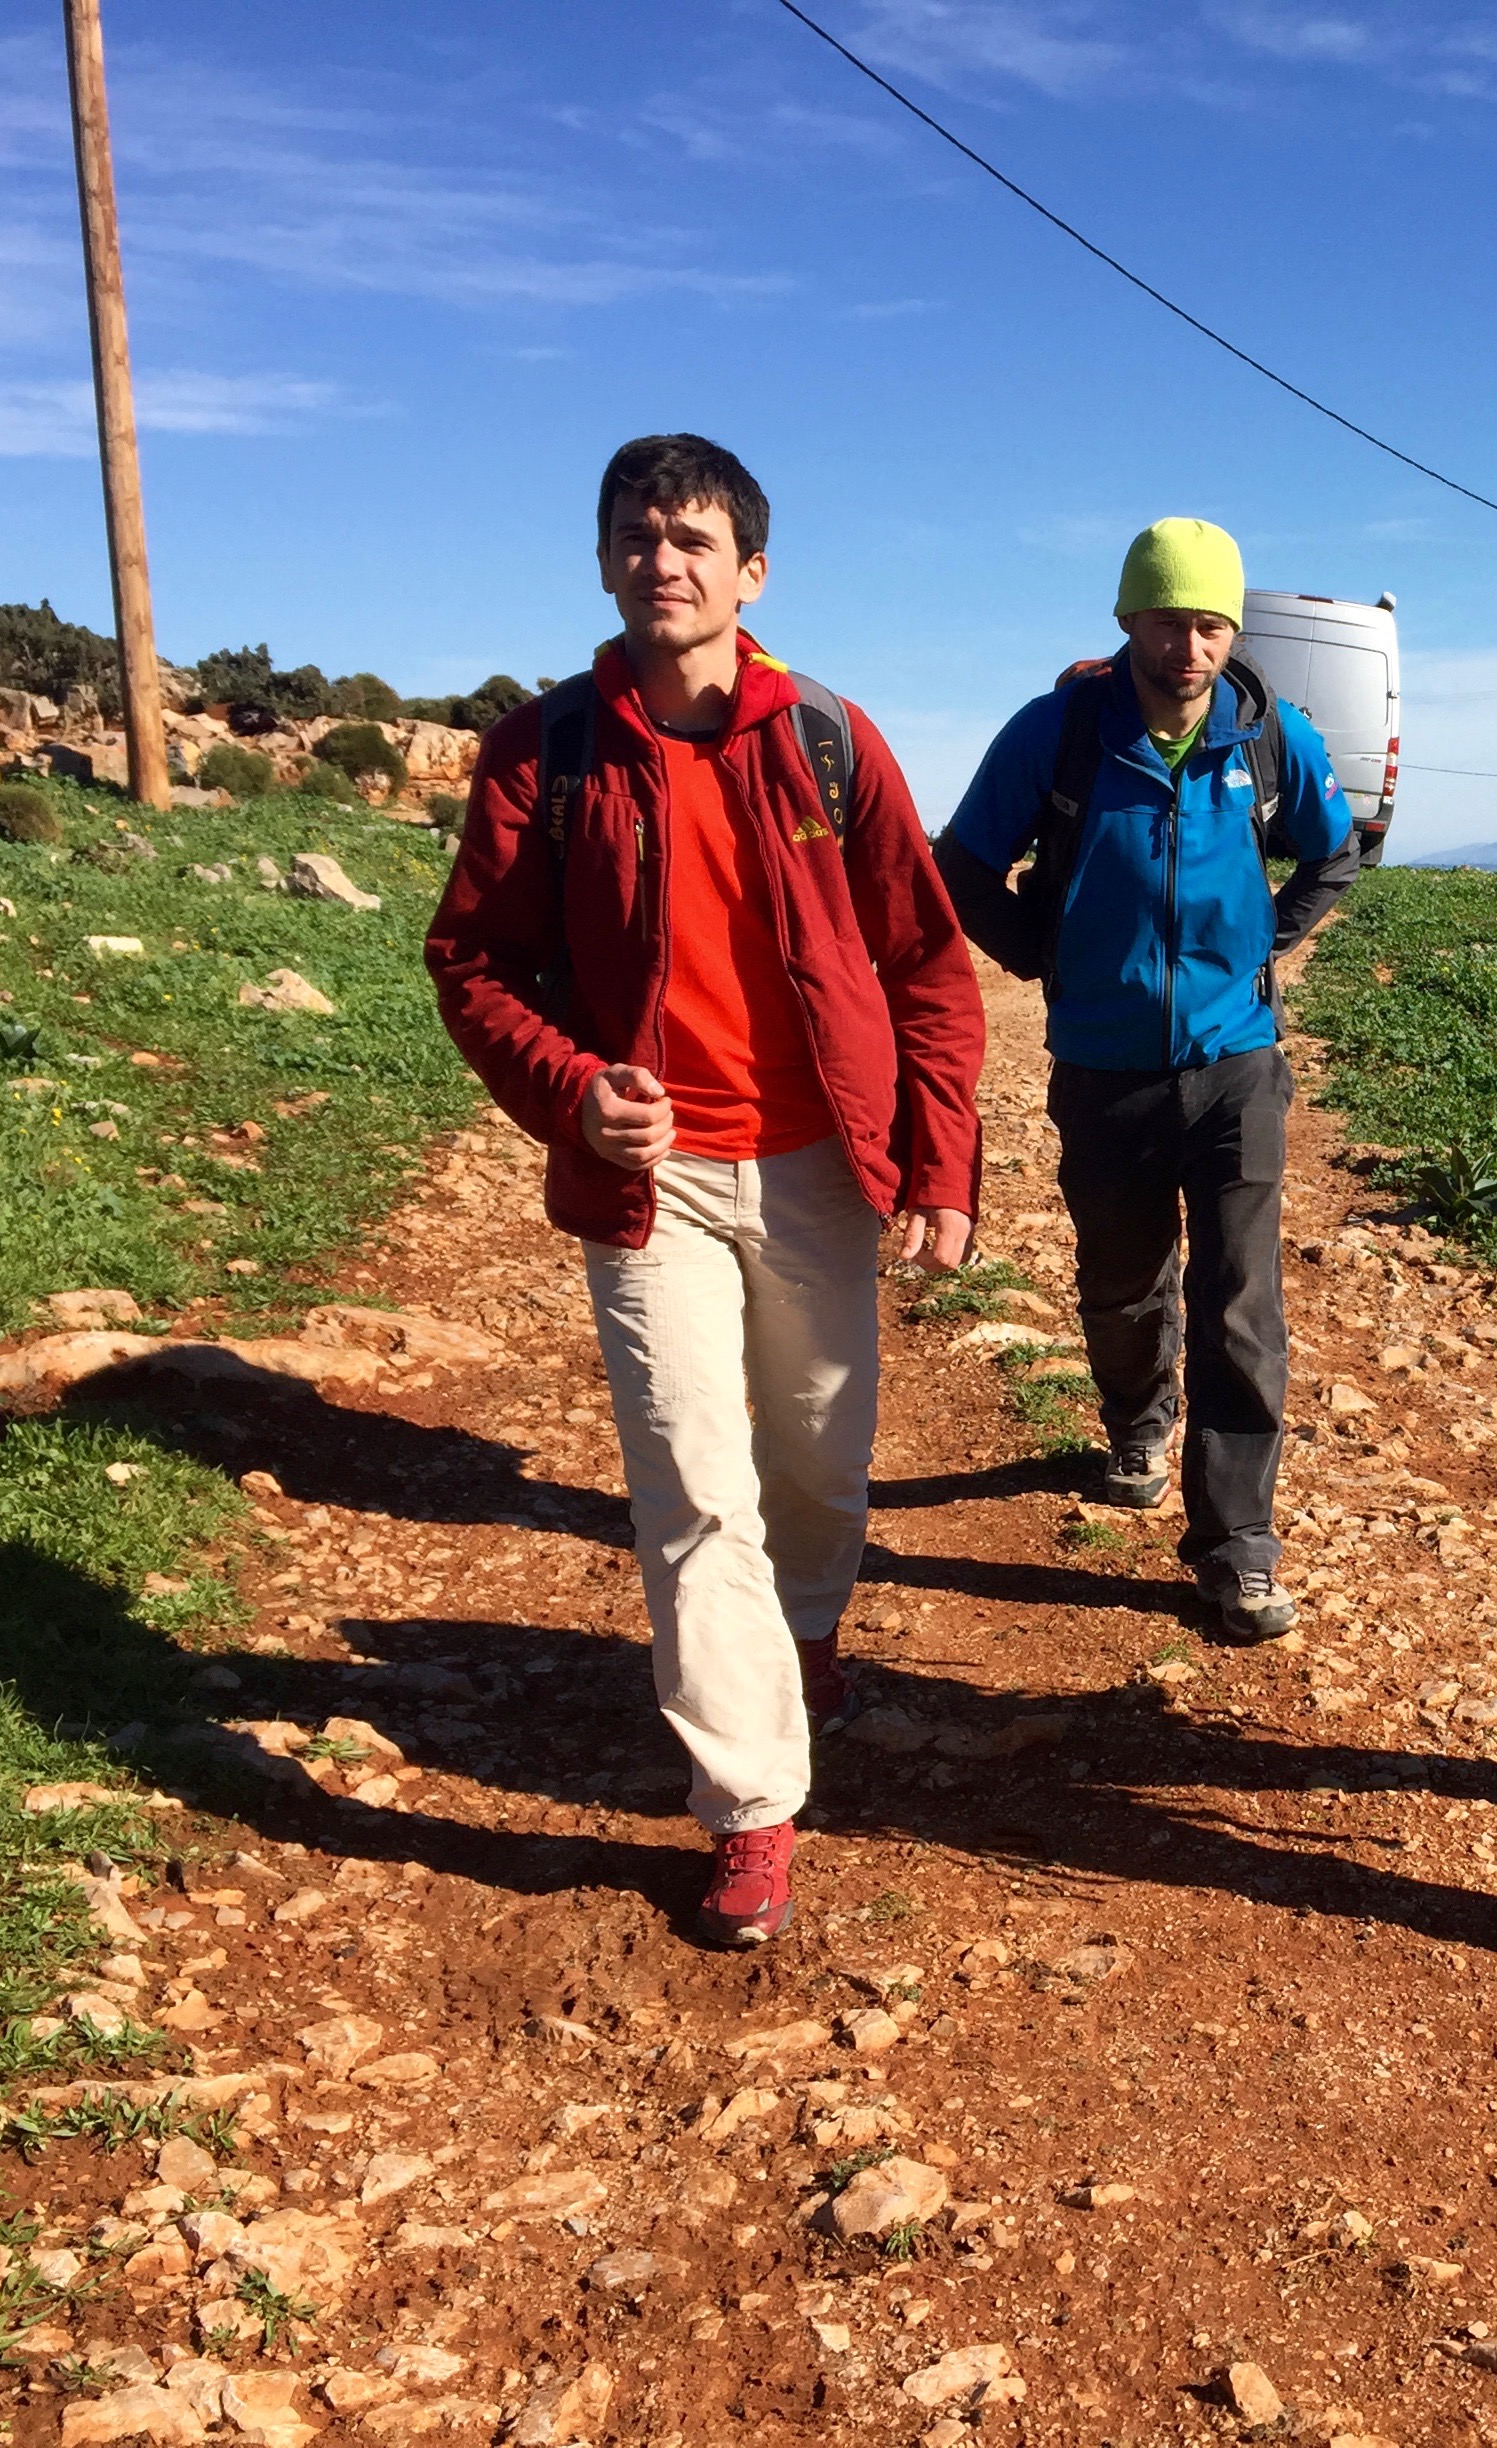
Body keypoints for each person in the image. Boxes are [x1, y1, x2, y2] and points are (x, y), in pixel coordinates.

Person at [428, 433, 986, 1949]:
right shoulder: (544, 755)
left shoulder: (829, 741)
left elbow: (929, 965)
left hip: (820, 1165)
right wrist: (570, 1088)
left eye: (690, 537)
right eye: (635, 533)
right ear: (606, 560)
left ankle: (805, 1635)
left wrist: (940, 1160)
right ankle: (751, 1808)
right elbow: (472, 962)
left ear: (751, 571)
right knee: (690, 1483)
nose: (660, 559)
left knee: (817, 1456)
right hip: (650, 1181)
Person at [930, 519, 1357, 1642]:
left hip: (1236, 1070)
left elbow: (1338, 848)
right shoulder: (1061, 733)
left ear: (1234, 631)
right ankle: (1136, 1415)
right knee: (1124, 1286)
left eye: (1211, 623)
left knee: (1241, 1308)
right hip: (1105, 1068)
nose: (1190, 646)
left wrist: (1280, 942)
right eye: (1168, 620)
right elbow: (964, 861)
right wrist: (1041, 953)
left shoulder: (1270, 738)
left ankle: (1237, 1548)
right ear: (1128, 621)